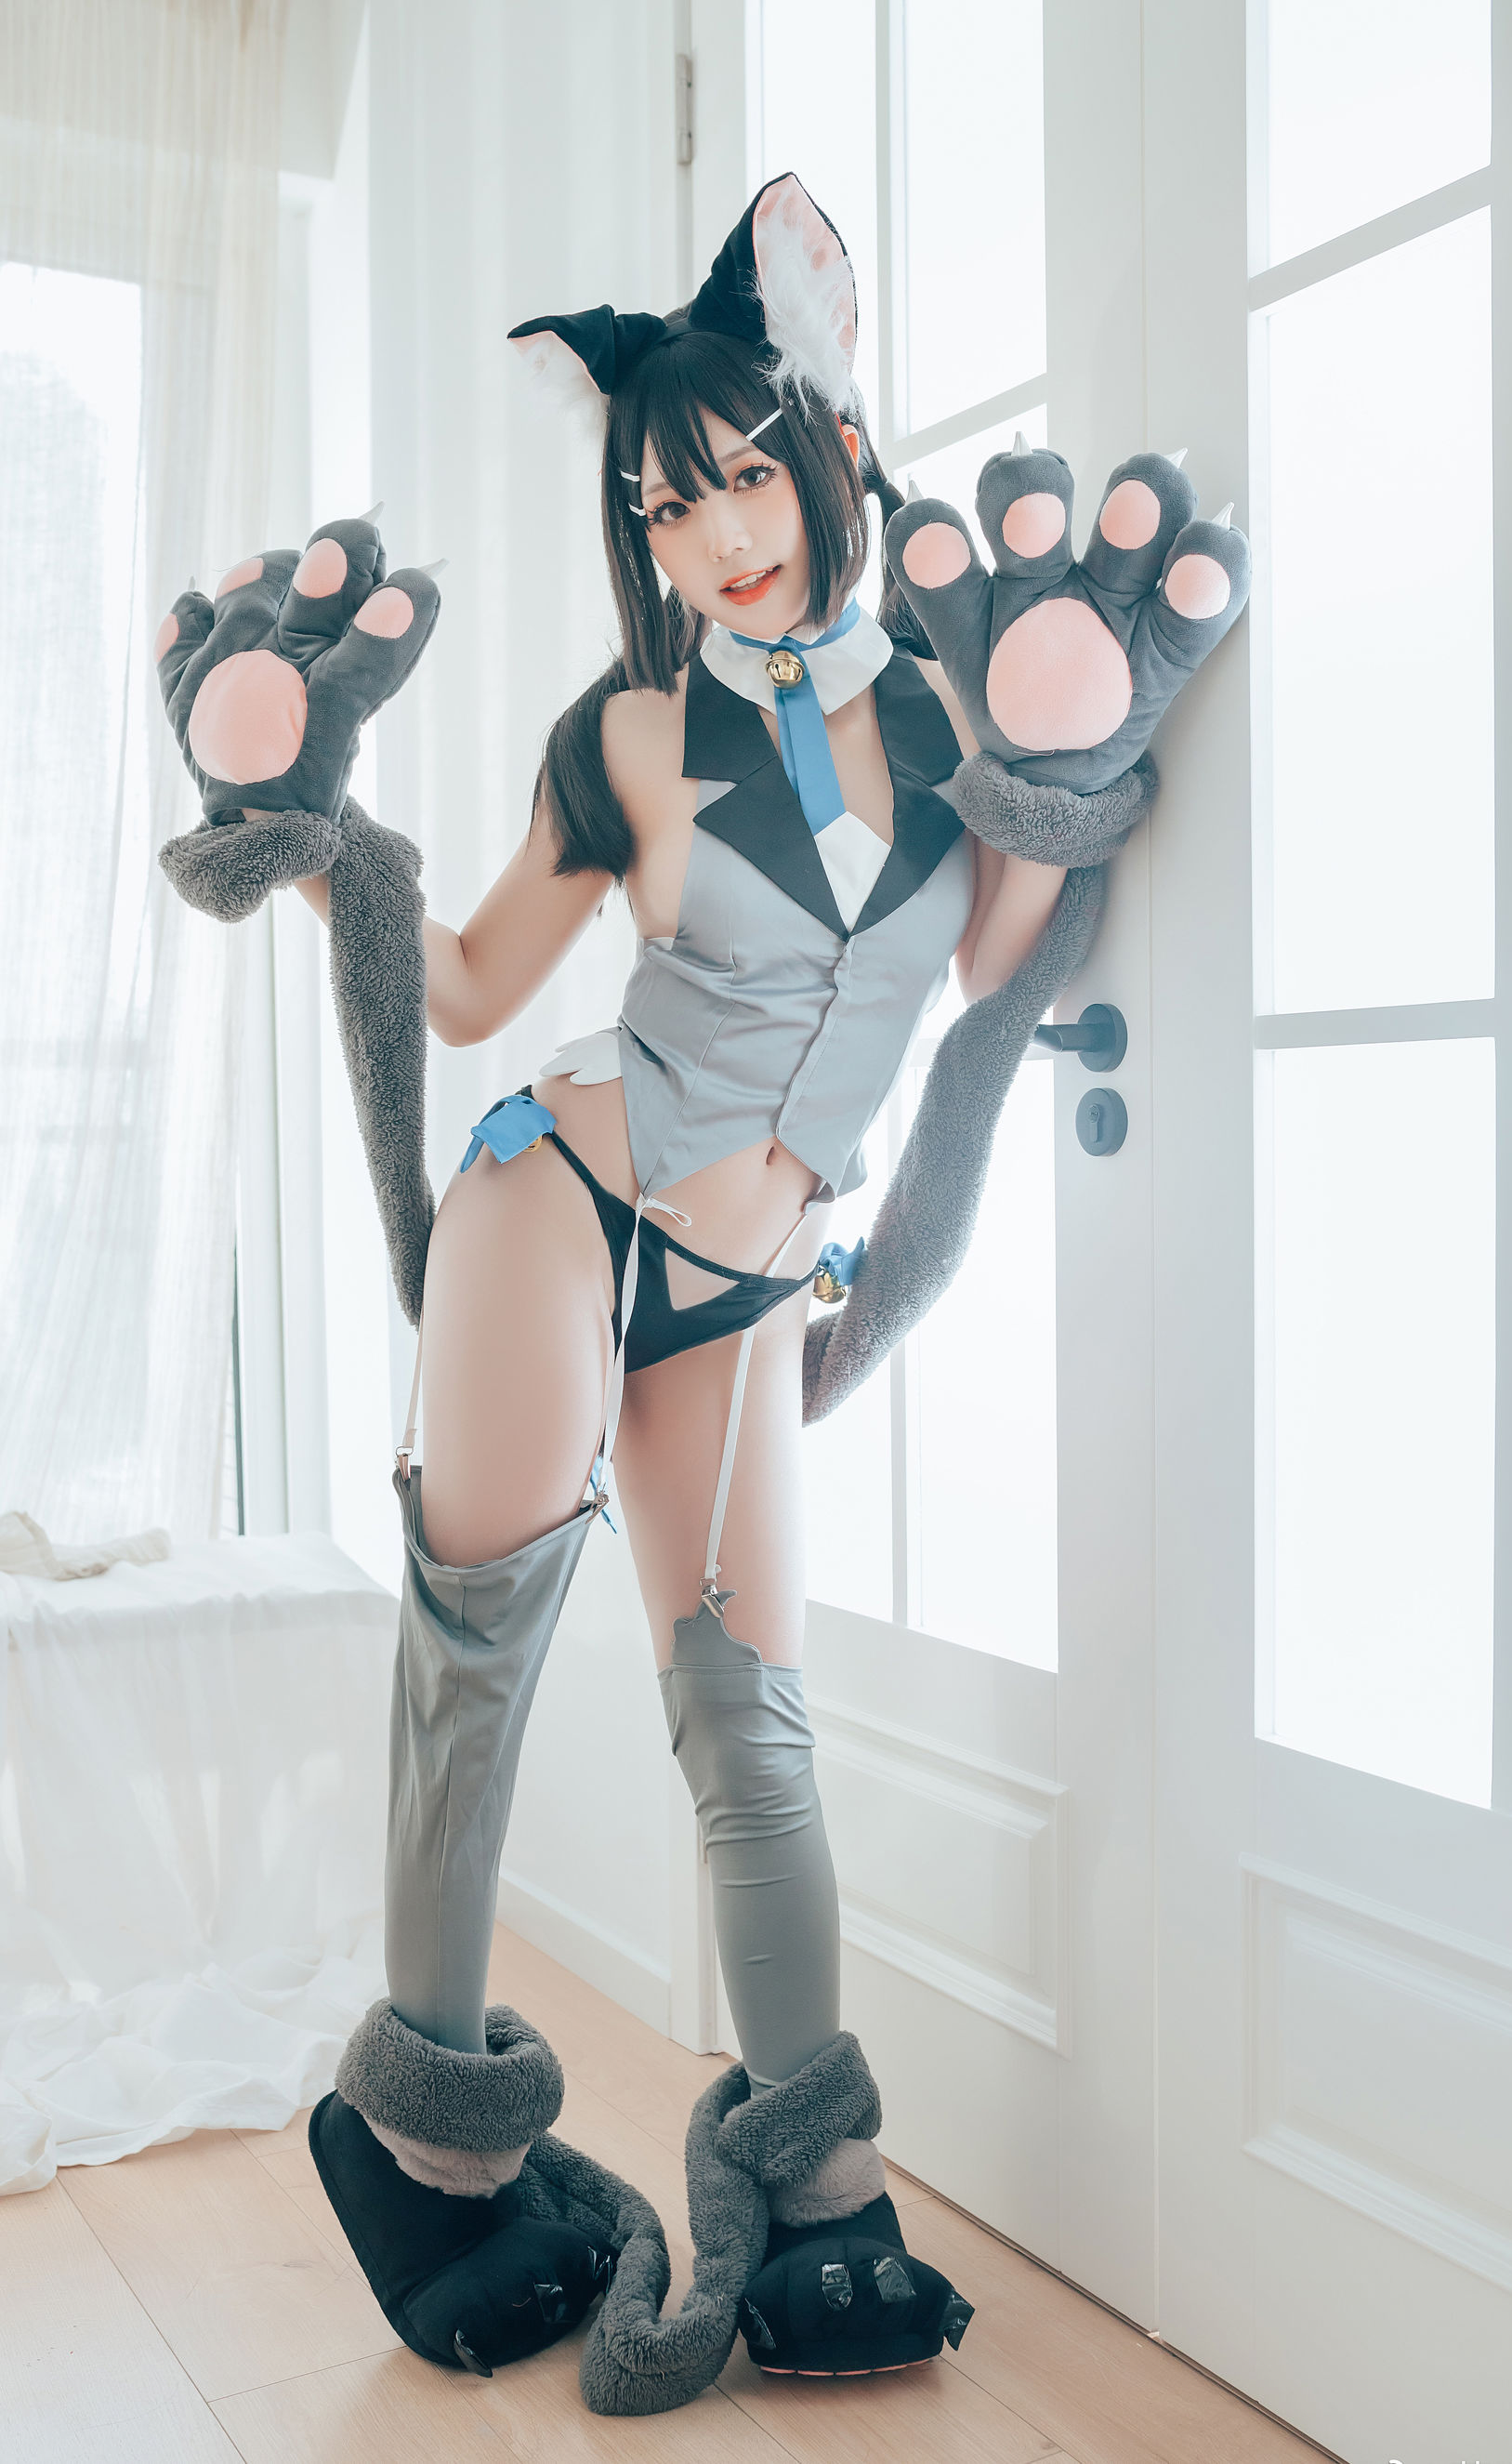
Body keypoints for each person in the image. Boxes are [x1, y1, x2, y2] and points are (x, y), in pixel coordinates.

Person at [152, 172, 1248, 2415]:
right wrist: (321, 830)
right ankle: (439, 2156)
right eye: (666, 502)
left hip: (748, 1287)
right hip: (559, 1196)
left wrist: (1065, 762)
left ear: (832, 446)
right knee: (478, 1663)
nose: (713, 532)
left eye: (742, 471)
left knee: (751, 1729)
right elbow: (476, 987)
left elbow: (992, 966)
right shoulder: (629, 736)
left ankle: (820, 2194)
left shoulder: (945, 730)